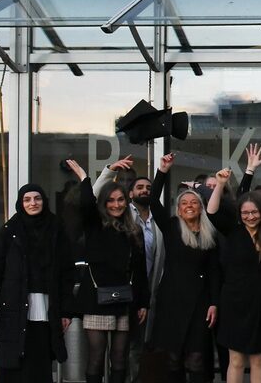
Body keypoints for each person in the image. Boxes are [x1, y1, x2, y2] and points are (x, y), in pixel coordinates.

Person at [0, 184, 76, 383]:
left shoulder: (56, 228)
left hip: (46, 309)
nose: (33, 203)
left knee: (40, 363)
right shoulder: (9, 230)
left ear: (44, 201)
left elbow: (66, 273)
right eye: (27, 199)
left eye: (37, 198)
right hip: (14, 307)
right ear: (20, 203)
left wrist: (66, 310)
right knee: (12, 364)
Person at [66, 160, 150, 383]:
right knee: (96, 356)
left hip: (124, 301)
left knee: (120, 357)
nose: (116, 204)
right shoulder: (94, 226)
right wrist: (86, 177)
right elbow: (86, 204)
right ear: (104, 203)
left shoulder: (134, 231)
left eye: (121, 199)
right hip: (96, 300)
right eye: (111, 200)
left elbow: (140, 270)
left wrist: (143, 302)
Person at [146, 155, 220, 383]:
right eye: (184, 203)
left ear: (201, 208)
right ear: (178, 210)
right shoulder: (171, 228)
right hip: (172, 303)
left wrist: (214, 302)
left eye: (194, 202)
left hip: (200, 304)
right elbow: (152, 201)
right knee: (172, 359)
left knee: (196, 359)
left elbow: (214, 271)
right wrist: (162, 171)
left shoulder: (210, 234)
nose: (189, 206)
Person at [207, 168, 261, 383]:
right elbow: (212, 212)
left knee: (259, 359)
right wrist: (220, 184)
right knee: (237, 360)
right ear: (239, 214)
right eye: (245, 213)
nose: (250, 217)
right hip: (233, 302)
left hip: (260, 304)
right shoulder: (232, 231)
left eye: (254, 212)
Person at [94, 156, 165, 383]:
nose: (145, 190)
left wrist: (145, 299)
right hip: (119, 294)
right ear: (130, 195)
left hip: (147, 293)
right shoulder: (123, 217)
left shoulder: (160, 222)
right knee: (115, 353)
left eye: (149, 188)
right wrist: (108, 171)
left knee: (137, 349)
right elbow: (92, 200)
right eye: (140, 187)